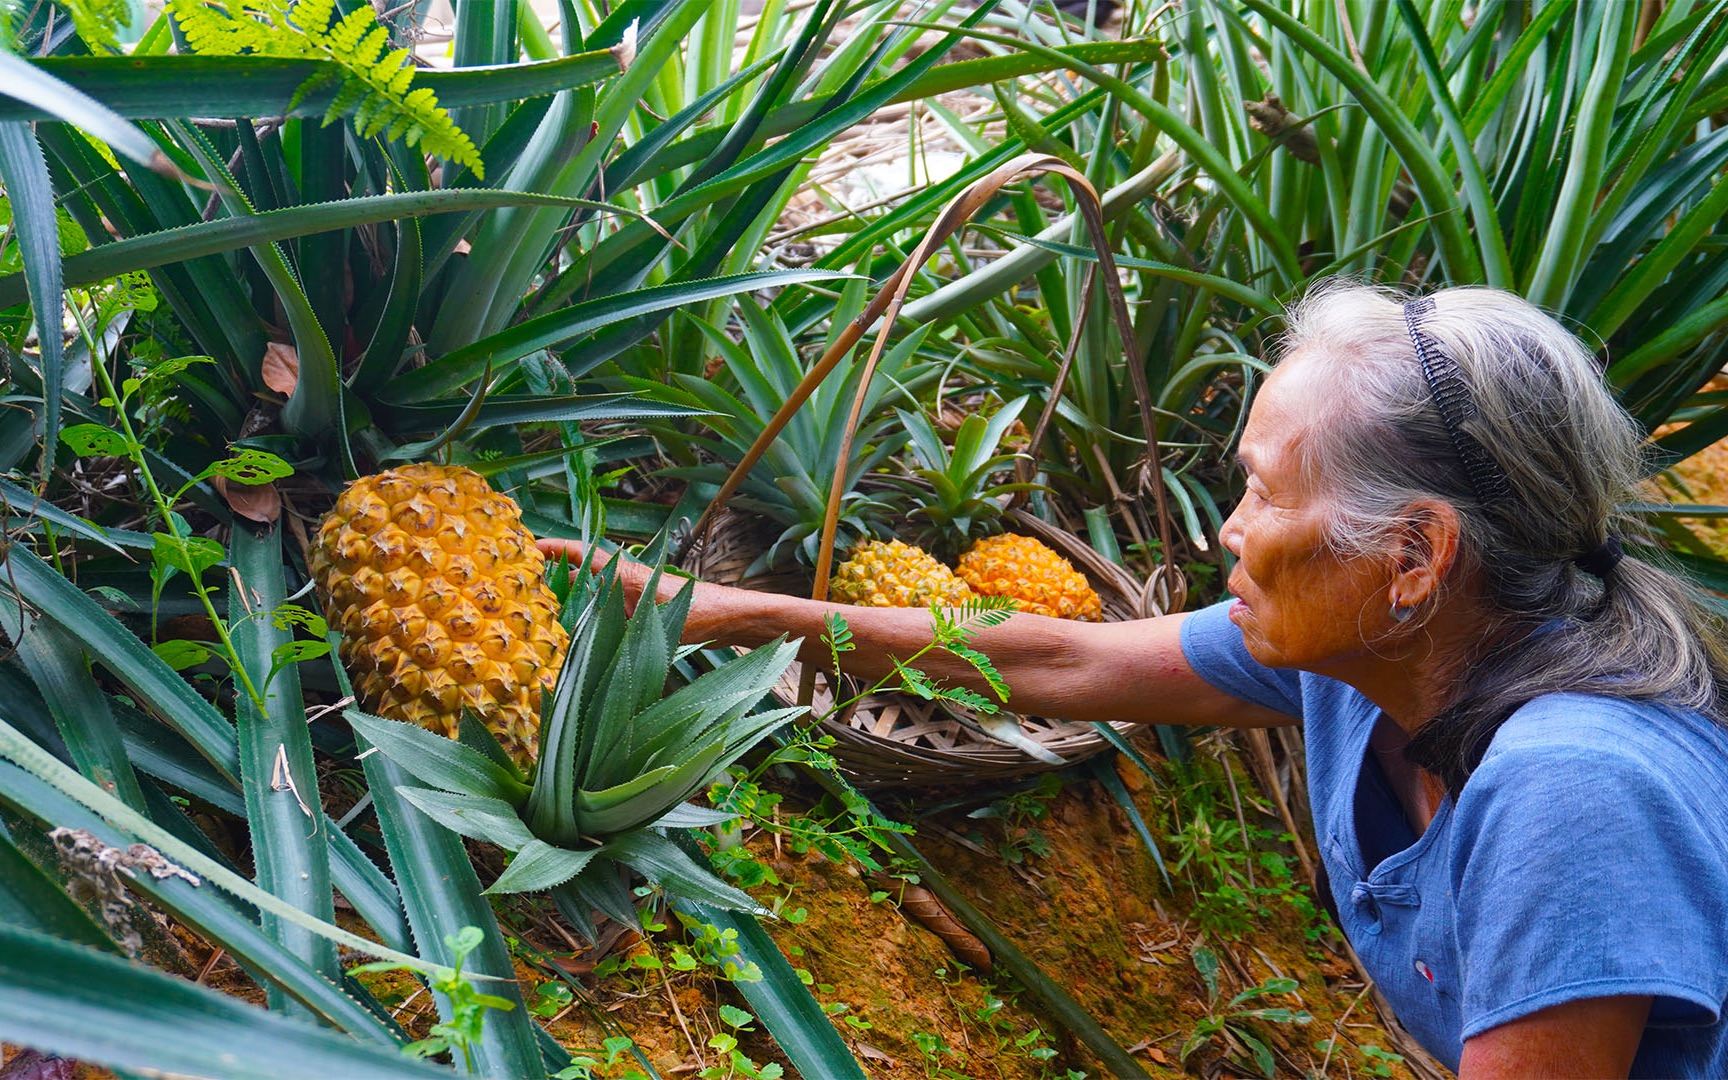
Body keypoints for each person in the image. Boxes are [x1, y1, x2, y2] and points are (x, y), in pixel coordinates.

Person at [541, 280, 1728, 1078]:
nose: (1227, 530)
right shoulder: (1371, 659)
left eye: (1264, 490)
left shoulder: (1569, 793)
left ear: (1413, 556)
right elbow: (1060, 655)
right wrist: (725, 612)